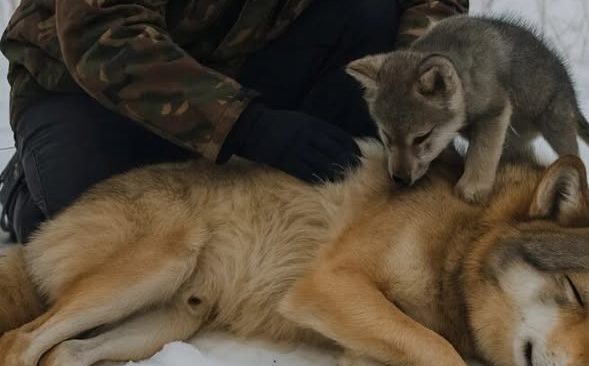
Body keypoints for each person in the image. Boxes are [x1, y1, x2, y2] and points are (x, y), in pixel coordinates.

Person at [0, 0, 468, 243]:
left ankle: (297, 196)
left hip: (239, 60)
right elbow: (101, 34)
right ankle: (22, 183)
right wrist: (247, 124)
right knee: (97, 231)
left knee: (371, 13)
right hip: (83, 85)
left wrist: (414, 87)